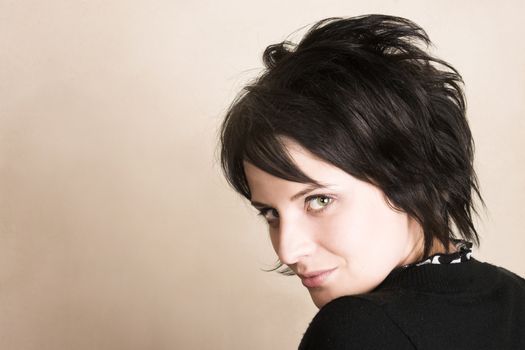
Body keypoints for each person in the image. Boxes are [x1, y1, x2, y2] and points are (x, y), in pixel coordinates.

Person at [218, 14, 525, 349]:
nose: (288, 249)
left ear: (412, 174)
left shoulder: (359, 328)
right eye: (271, 214)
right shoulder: (516, 296)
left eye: (319, 200)